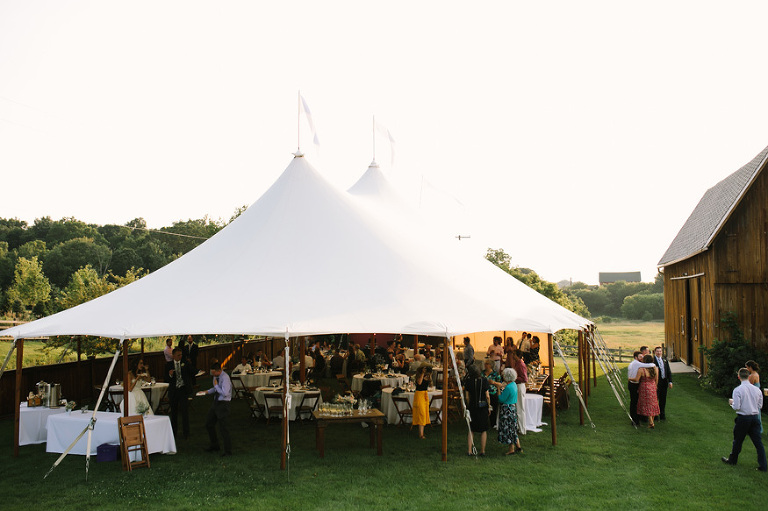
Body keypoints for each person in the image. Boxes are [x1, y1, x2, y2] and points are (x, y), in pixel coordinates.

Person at [722, 367, 767, 472]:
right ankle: (763, 465)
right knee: (758, 443)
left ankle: (732, 460)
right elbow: (760, 405)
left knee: (738, 440)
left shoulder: (738, 390)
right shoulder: (757, 390)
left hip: (743, 418)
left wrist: (731, 403)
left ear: (738, 376)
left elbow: (737, 407)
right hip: (755, 418)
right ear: (749, 376)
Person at [203, 361, 233, 457]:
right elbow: (216, 389)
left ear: (218, 371)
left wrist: (216, 385)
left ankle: (228, 451)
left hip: (224, 404)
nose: (212, 374)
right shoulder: (216, 377)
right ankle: (214, 444)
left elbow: (225, 393)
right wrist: (207, 391)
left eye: (213, 372)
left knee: (223, 428)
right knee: (209, 424)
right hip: (216, 402)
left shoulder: (225, 378)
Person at [490, 367, 522, 455]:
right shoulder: (514, 384)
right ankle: (518, 446)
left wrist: (498, 390)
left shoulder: (508, 387)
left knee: (508, 429)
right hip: (512, 407)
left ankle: (511, 448)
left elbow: (501, 399)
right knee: (513, 427)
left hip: (507, 409)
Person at [165, 347, 193, 439]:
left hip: (183, 390)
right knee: (174, 412)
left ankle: (186, 433)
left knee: (185, 411)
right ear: (173, 356)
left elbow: (191, 372)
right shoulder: (169, 365)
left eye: (181, 355)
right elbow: (166, 378)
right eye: (178, 355)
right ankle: (174, 432)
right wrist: (170, 374)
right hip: (174, 391)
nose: (180, 357)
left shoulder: (185, 363)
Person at [464, 364, 491, 456]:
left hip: (472, 406)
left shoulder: (468, 381)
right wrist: (489, 406)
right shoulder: (484, 380)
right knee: (483, 429)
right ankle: (482, 451)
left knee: (471, 429)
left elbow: (467, 397)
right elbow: (487, 395)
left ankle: (469, 450)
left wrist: (468, 406)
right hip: (482, 406)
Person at [627, 350, 655, 425]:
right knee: (634, 402)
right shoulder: (636, 363)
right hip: (633, 384)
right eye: (640, 357)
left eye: (642, 357)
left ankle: (640, 417)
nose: (642, 358)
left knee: (638, 402)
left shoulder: (637, 364)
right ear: (636, 357)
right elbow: (650, 365)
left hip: (635, 383)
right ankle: (634, 420)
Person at [632, 355, 661, 429]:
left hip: (644, 388)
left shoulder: (642, 369)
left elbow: (636, 379)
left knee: (646, 404)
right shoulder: (655, 369)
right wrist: (655, 386)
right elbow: (656, 379)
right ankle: (651, 423)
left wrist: (629, 378)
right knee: (653, 404)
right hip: (653, 386)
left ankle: (651, 422)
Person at [652, 346, 673, 420]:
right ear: (654, 352)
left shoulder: (664, 360)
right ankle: (655, 415)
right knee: (655, 398)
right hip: (657, 382)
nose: (659, 353)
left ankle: (662, 414)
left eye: (660, 351)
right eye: (657, 351)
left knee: (663, 399)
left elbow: (668, 371)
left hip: (664, 382)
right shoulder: (652, 360)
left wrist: (670, 381)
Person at [412, 364, 432, 439]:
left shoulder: (427, 376)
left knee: (424, 413)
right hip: (419, 395)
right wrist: (422, 373)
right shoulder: (419, 375)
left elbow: (430, 384)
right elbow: (419, 383)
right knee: (421, 413)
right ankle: (421, 434)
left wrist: (429, 375)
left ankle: (421, 433)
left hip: (425, 394)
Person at [512, 349, 528, 435]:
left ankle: (522, 429)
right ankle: (519, 427)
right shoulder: (517, 363)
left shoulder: (521, 364)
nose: (512, 356)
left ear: (517, 355)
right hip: (517, 386)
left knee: (520, 408)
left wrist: (514, 378)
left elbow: (524, 378)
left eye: (514, 354)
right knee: (517, 408)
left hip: (520, 386)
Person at [483, 359, 501, 429]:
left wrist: (493, 383)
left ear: (491, 365)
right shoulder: (482, 373)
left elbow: (500, 384)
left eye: (487, 364)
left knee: (493, 408)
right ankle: (484, 422)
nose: (485, 365)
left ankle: (493, 423)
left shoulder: (495, 374)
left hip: (492, 392)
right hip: (484, 393)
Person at [745, 361, 762, 434]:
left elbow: (748, 386)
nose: (746, 369)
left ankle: (753, 428)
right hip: (756, 394)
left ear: (750, 367)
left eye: (747, 367)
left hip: (753, 395)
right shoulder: (756, 374)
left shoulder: (752, 376)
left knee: (752, 411)